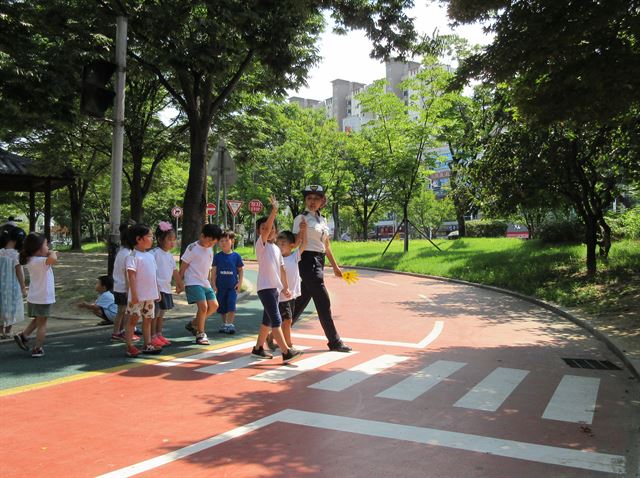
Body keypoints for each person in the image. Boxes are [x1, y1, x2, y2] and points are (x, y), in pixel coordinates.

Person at [292, 185, 351, 352]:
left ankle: (275, 334)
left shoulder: (323, 220)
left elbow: (326, 245)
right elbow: (295, 243)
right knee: (323, 301)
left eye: (316, 199)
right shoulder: (300, 219)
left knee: (300, 302)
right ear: (305, 200)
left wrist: (335, 267)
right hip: (306, 260)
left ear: (322, 201)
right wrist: (301, 233)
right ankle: (334, 341)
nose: (312, 202)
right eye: (309, 198)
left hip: (319, 260)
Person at [251, 196, 303, 364]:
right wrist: (274, 211)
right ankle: (286, 352)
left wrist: (285, 287)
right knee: (276, 319)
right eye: (265, 228)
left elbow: (282, 269)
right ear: (260, 231)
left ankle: (258, 348)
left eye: (273, 227)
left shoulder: (276, 249)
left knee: (267, 320)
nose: (269, 229)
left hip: (275, 289)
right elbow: (266, 229)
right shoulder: (262, 245)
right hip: (265, 288)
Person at [13, 232, 57, 358]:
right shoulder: (40, 261)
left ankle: (23, 335)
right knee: (42, 323)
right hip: (43, 297)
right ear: (38, 249)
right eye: (46, 245)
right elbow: (54, 259)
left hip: (35, 296)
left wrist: (48, 253)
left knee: (38, 319)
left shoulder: (31, 259)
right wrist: (52, 253)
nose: (48, 247)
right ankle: (38, 348)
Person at [180, 223, 223, 346]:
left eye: (213, 242)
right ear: (202, 236)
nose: (210, 244)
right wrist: (179, 282)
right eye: (209, 241)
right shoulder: (192, 247)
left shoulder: (209, 249)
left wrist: (211, 283)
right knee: (203, 307)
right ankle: (200, 333)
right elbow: (184, 266)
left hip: (204, 282)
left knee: (214, 306)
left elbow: (208, 268)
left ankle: (193, 323)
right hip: (192, 281)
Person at [266, 226, 306, 352]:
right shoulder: (277, 259)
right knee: (287, 320)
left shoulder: (294, 256)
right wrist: (283, 288)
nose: (280, 246)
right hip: (281, 295)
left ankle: (271, 336)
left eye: (284, 244)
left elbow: (304, 244)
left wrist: (304, 231)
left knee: (286, 320)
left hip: (292, 294)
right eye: (278, 244)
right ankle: (289, 345)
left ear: (292, 246)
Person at [123, 224, 161, 357]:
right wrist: (134, 294)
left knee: (148, 319)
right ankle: (129, 346)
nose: (152, 239)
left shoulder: (150, 256)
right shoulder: (133, 256)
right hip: (137, 296)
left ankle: (147, 343)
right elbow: (131, 277)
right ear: (139, 239)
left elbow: (153, 275)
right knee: (133, 320)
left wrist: (158, 291)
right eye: (149, 236)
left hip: (149, 295)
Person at [150, 221, 184, 346]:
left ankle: (159, 334)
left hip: (166, 288)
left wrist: (180, 283)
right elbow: (151, 272)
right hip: (156, 290)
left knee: (161, 314)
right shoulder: (154, 254)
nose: (172, 242)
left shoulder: (169, 255)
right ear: (159, 239)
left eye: (174, 239)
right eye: (169, 239)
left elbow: (174, 270)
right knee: (155, 314)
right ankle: (152, 335)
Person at [211, 230, 244, 335]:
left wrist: (240, 283)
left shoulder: (236, 256)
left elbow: (240, 270)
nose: (224, 243)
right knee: (222, 307)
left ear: (232, 241)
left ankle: (230, 324)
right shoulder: (217, 256)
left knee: (231, 304)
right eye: (221, 241)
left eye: (226, 240)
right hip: (220, 287)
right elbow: (214, 271)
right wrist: (213, 284)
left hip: (232, 287)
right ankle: (225, 323)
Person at [111, 222, 137, 343]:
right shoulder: (127, 254)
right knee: (125, 311)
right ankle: (122, 332)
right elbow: (128, 274)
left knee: (121, 311)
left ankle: (118, 332)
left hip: (118, 286)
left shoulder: (122, 251)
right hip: (123, 287)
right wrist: (129, 290)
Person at [0, 226, 26, 339]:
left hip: (1, 286)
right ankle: (8, 331)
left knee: (1, 306)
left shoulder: (0, 252)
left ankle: (1, 331)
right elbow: (19, 273)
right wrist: (23, 287)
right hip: (12, 287)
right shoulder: (16, 255)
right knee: (12, 307)